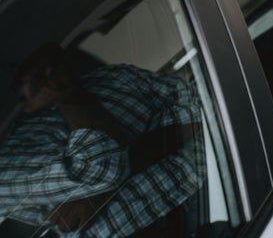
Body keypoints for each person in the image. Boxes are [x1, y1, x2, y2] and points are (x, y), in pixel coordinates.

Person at [0, 44, 205, 237]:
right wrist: (69, 97)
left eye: (48, 66)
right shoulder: (6, 166)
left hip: (211, 190)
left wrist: (100, 193)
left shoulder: (113, 78)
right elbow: (101, 168)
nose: (47, 76)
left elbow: (201, 106)